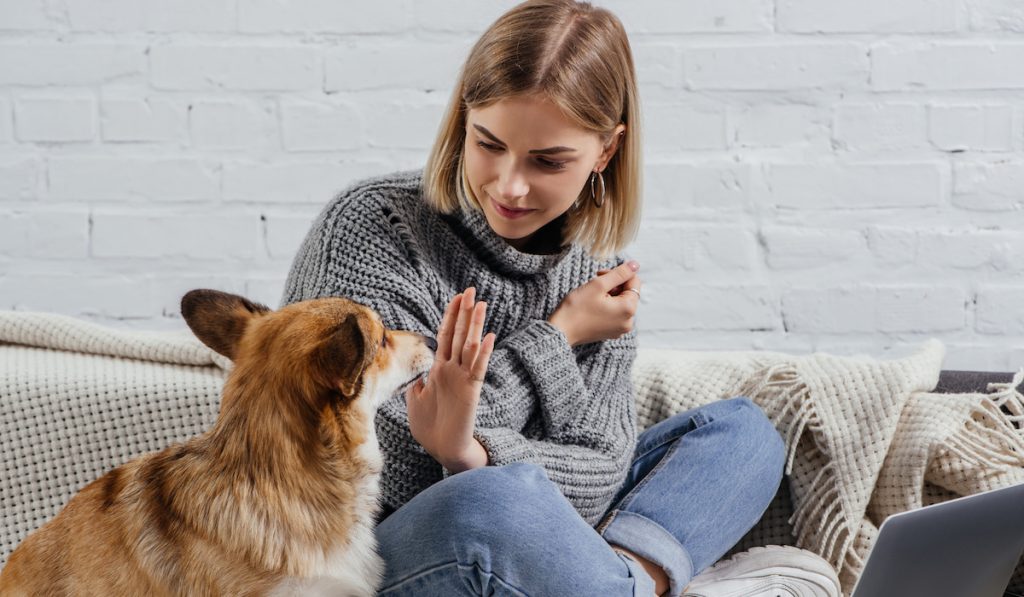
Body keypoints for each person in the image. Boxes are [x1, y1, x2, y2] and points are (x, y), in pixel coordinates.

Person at [281, 1, 841, 595]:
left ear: (606, 151)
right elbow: (381, 456)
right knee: (493, 502)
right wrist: (558, 337)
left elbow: (599, 473)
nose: (510, 184)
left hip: (524, 535)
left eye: (548, 161)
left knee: (745, 437)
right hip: (366, 550)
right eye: (488, 144)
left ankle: (623, 582)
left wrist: (471, 451)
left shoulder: (597, 276)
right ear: (462, 121)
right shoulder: (375, 228)